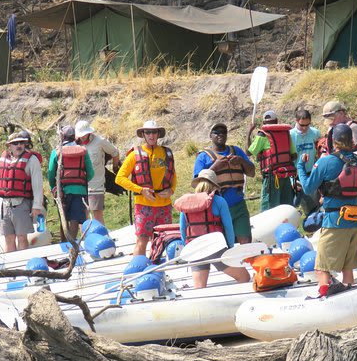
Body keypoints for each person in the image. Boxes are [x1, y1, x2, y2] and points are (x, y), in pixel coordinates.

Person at [302, 124, 357, 297]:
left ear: (333, 142)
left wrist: (301, 168)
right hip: (354, 222)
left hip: (334, 221)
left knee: (321, 268)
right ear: (352, 141)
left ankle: (325, 298)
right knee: (348, 269)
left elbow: (308, 188)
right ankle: (350, 296)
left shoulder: (325, 161)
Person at [174, 169, 250, 289]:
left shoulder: (187, 203)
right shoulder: (219, 201)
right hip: (216, 248)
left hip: (195, 249)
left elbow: (183, 230)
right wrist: (229, 248)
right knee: (244, 277)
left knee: (199, 288)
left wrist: (189, 247)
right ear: (215, 186)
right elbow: (228, 228)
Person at [115, 120, 177, 256]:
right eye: (148, 132)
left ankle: (158, 269)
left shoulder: (167, 153)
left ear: (158, 134)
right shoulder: (134, 154)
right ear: (143, 134)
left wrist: (171, 190)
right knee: (142, 240)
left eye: (154, 132)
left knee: (164, 240)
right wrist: (140, 190)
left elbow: (174, 176)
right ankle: (138, 271)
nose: (151, 135)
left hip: (164, 205)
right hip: (144, 205)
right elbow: (119, 178)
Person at [193, 123, 255, 243]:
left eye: (223, 132)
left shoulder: (236, 151)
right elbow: (198, 183)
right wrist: (215, 166)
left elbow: (252, 172)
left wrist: (242, 161)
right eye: (216, 132)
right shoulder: (203, 157)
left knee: (246, 241)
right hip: (216, 207)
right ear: (211, 136)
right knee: (223, 243)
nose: (220, 134)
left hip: (239, 205)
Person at [0, 130, 45, 252]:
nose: (19, 145)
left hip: (21, 204)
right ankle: (12, 269)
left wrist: (37, 206)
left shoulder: (32, 160)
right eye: (15, 143)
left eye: (21, 143)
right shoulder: (3, 159)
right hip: (4, 205)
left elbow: (37, 185)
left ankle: (22, 268)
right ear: (9, 145)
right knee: (8, 238)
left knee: (22, 237)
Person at [48, 125, 95, 240]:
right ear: (74, 137)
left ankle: (64, 244)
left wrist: (53, 187)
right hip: (80, 190)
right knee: (75, 219)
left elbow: (50, 173)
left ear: (62, 137)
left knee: (63, 218)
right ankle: (72, 244)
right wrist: (81, 181)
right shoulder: (83, 151)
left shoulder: (56, 152)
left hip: (62, 191)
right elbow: (91, 173)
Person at [247, 110, 297, 211]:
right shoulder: (286, 133)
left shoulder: (262, 135)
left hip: (272, 177)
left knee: (269, 208)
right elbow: (294, 155)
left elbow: (248, 152)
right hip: (286, 175)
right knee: (286, 207)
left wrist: (249, 132)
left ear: (264, 123)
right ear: (276, 121)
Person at [74, 120, 120, 225]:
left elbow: (115, 152)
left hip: (96, 184)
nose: (82, 137)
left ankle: (102, 237)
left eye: (85, 134)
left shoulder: (100, 141)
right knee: (82, 216)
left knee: (97, 214)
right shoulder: (74, 143)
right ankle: (85, 239)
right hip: (80, 185)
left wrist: (115, 167)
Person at [291, 109, 321, 215]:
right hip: (296, 176)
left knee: (314, 206)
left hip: (311, 173)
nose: (305, 128)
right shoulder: (290, 135)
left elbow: (319, 153)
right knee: (293, 206)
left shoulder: (315, 133)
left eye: (307, 125)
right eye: (302, 125)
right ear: (296, 121)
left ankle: (314, 227)